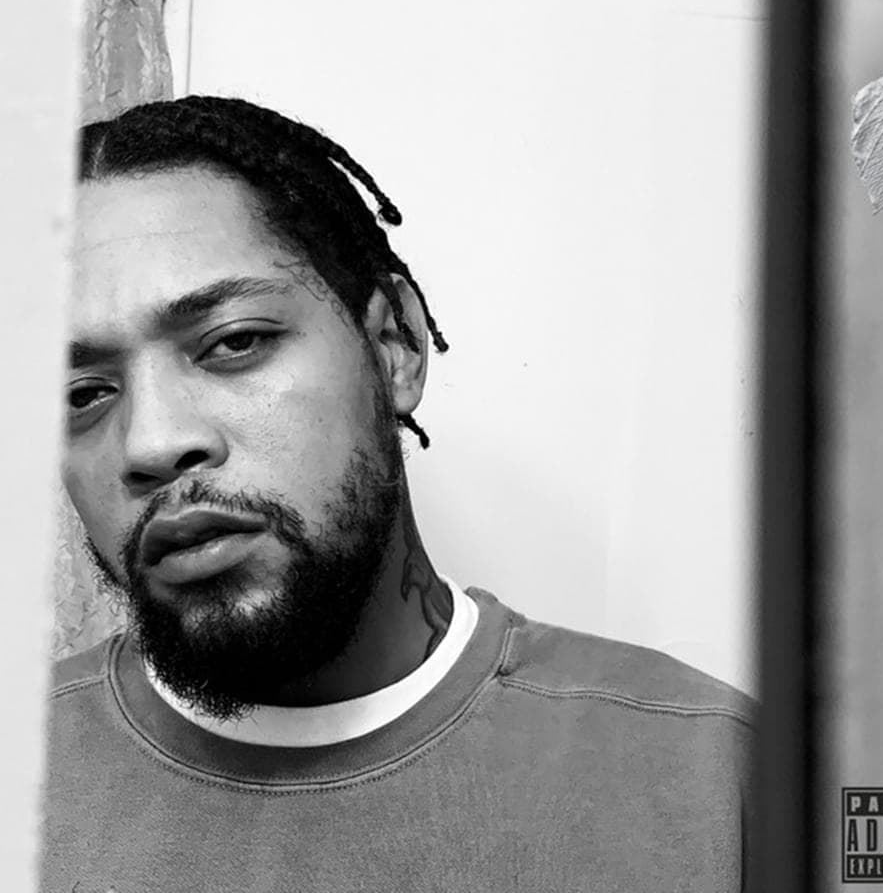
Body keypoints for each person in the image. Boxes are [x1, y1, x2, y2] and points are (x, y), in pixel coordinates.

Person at [41, 96, 756, 891]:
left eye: (234, 343)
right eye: (82, 394)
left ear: (394, 346)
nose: (151, 442)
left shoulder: (718, 778)